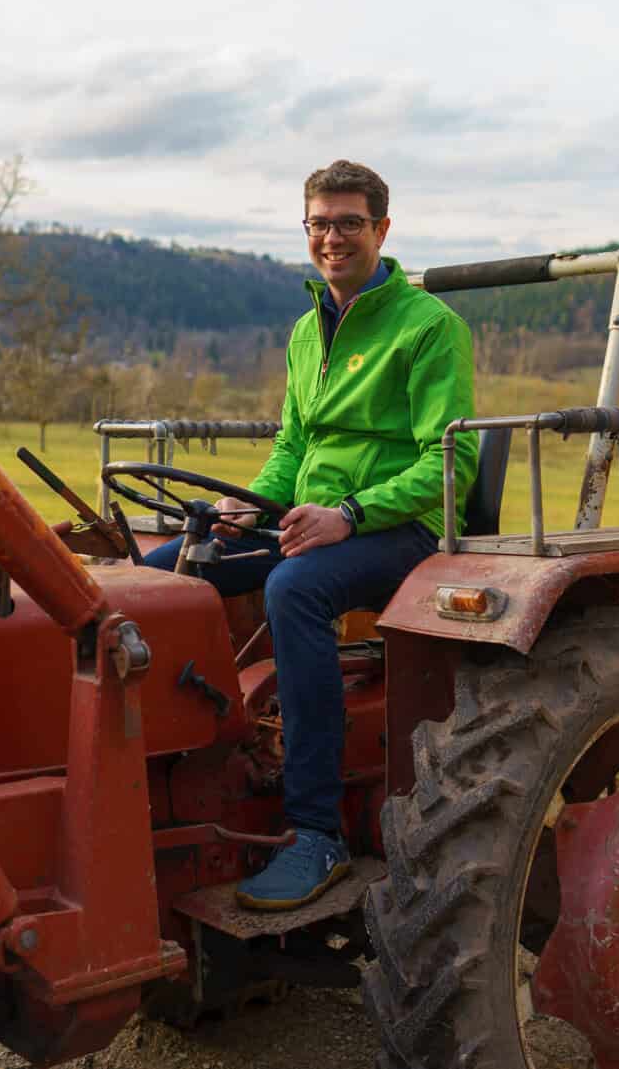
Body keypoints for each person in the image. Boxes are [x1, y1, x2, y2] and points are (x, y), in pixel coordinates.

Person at [146, 159, 476, 910]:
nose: (333, 237)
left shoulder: (430, 329)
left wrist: (350, 514)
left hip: (402, 527)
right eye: (320, 223)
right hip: (314, 522)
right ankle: (179, 778)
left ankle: (315, 831)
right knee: (167, 571)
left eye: (350, 222)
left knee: (292, 588)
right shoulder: (306, 331)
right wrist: (252, 506)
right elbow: (294, 446)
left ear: (383, 230)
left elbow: (450, 462)